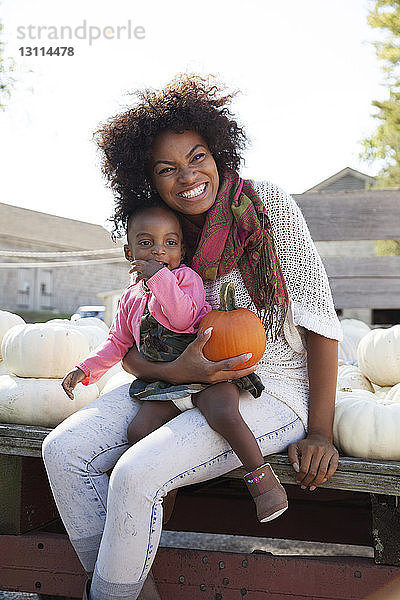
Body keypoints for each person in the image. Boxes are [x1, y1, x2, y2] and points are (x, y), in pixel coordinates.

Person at [42, 74, 342, 600]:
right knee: (64, 449)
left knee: (135, 475)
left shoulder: (265, 206)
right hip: (176, 383)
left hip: (272, 391)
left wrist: (320, 431)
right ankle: (128, 590)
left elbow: (321, 323)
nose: (188, 176)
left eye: (197, 156)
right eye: (167, 169)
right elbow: (133, 340)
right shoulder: (159, 234)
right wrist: (176, 372)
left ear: (219, 153)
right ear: (149, 181)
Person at [62, 202, 286, 525]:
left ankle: (264, 484)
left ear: (181, 249)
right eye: (146, 243)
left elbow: (183, 318)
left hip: (207, 376)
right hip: (165, 385)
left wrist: (161, 280)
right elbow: (118, 342)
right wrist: (86, 369)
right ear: (129, 252)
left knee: (224, 413)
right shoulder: (129, 299)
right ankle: (162, 494)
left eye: (169, 243)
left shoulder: (186, 280)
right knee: (138, 430)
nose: (158, 251)